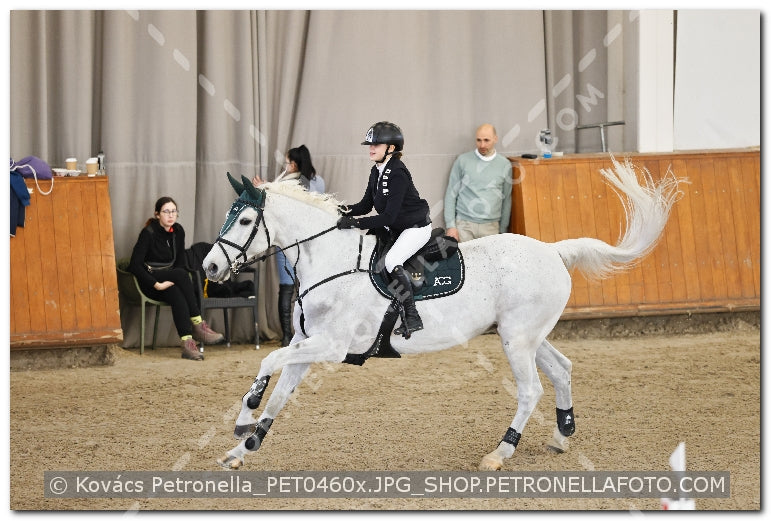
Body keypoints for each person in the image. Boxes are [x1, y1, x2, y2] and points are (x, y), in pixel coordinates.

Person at [337, 121, 431, 338]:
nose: (371, 148)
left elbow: (389, 216)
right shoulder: (376, 170)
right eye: (370, 145)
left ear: (391, 148)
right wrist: (337, 209)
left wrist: (356, 224)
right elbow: (365, 206)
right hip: (397, 227)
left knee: (391, 261)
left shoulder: (398, 172)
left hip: (415, 228)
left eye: (376, 145)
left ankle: (412, 316)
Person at [128, 196, 224, 361]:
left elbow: (179, 262)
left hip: (170, 279)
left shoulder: (178, 231)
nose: (171, 215)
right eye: (166, 211)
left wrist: (171, 281)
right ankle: (198, 323)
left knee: (176, 294)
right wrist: (156, 284)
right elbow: (134, 265)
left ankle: (187, 344)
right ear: (157, 214)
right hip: (149, 282)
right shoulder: (148, 233)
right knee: (181, 275)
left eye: (174, 211)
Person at [252, 145, 325, 346]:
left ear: (293, 164)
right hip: (310, 244)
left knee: (286, 289)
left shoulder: (286, 184)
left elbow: (276, 205)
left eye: (286, 163)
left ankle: (287, 336)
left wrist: (265, 187)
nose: (285, 166)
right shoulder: (318, 182)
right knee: (308, 289)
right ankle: (307, 333)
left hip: (288, 243)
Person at [444, 123, 513, 242]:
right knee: (464, 255)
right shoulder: (462, 161)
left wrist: (503, 230)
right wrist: (451, 226)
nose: (482, 145)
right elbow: (451, 193)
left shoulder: (504, 164)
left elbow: (507, 198)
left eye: (486, 140)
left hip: (491, 227)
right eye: (479, 140)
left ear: (495, 139)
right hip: (464, 226)